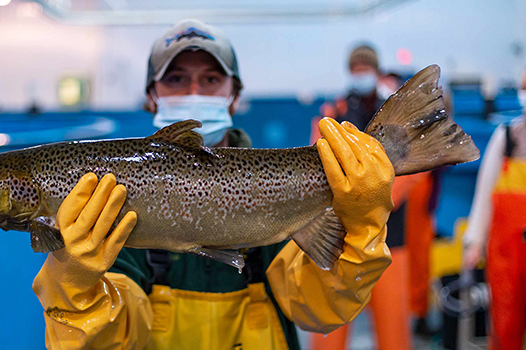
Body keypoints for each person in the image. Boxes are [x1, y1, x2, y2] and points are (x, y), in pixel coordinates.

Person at [32, 20, 395, 350]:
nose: (194, 91)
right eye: (175, 79)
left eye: (210, 80)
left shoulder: (276, 187)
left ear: (235, 96)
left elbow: (318, 308)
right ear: (150, 96)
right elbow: (117, 340)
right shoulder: (115, 197)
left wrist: (361, 229)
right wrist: (75, 287)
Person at [312, 44, 423, 350]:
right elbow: (318, 163)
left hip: (390, 239)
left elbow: (415, 168)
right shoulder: (332, 113)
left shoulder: (396, 115)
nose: (361, 73)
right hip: (340, 242)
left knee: (394, 328)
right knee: (329, 329)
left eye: (366, 67)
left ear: (375, 69)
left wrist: (380, 199)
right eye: (356, 68)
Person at [463, 71, 526, 350]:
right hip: (506, 255)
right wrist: (473, 242)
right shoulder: (508, 137)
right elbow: (484, 194)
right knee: (504, 323)